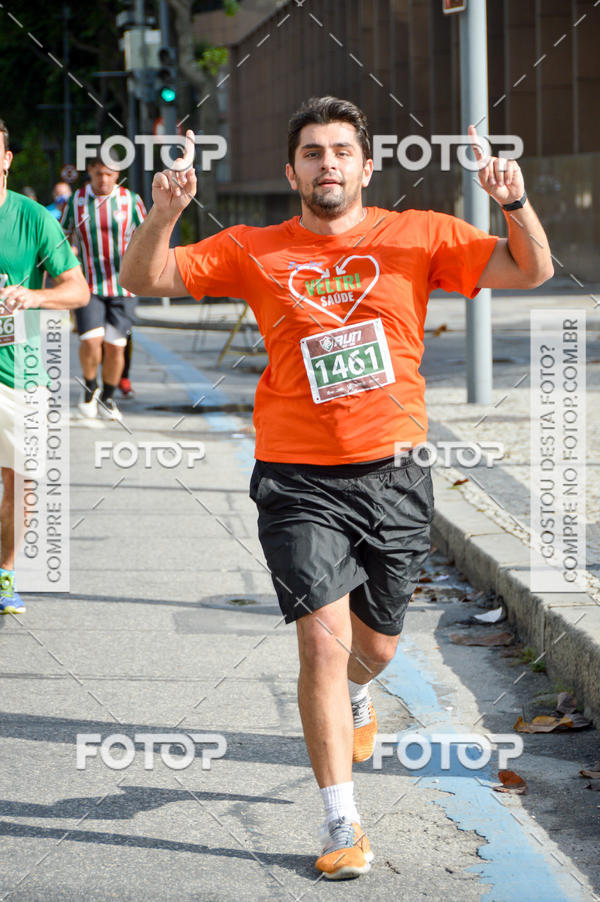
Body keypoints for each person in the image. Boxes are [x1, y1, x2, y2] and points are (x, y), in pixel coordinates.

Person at [119, 96, 553, 880]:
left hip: (394, 472)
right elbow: (144, 276)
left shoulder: (419, 235)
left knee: (375, 645)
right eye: (313, 153)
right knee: (322, 640)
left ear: (365, 165)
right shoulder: (254, 248)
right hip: (296, 476)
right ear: (293, 172)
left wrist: (513, 203)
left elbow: (532, 269)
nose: (328, 164)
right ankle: (340, 820)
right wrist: (165, 212)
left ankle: (359, 694)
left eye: (341, 151)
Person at [0, 118, 89, 613]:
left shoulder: (33, 218)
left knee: (21, 482)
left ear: (7, 158)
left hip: (21, 372)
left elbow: (77, 290)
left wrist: (31, 296)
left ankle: (4, 573)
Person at [61, 153, 146, 421]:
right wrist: (65, 265)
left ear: (118, 174)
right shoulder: (78, 200)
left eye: (110, 174)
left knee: (115, 345)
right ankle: (90, 389)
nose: (104, 179)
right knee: (90, 341)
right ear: (90, 171)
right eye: (99, 173)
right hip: (89, 285)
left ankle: (108, 396)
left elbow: (147, 235)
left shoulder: (130, 200)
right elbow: (64, 234)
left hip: (124, 286)